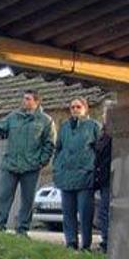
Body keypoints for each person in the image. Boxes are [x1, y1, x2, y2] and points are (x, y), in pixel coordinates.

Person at [0, 89, 56, 236]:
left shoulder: (46, 121)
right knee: (4, 196)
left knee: (27, 200)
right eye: (24, 98)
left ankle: (22, 229)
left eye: (28, 99)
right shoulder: (14, 117)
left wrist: (41, 161)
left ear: (36, 102)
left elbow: (49, 144)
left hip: (31, 167)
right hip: (10, 164)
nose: (24, 101)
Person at [53, 98, 100, 250]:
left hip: (85, 176)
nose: (74, 109)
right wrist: (57, 166)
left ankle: (86, 245)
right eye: (72, 107)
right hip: (66, 176)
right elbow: (58, 148)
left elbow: (100, 149)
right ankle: (71, 242)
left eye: (78, 107)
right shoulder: (65, 127)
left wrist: (93, 168)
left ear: (85, 109)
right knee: (68, 213)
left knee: (85, 214)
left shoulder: (93, 126)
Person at [95, 105, 113, 253]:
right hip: (105, 179)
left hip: (118, 178)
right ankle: (106, 242)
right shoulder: (103, 134)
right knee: (104, 212)